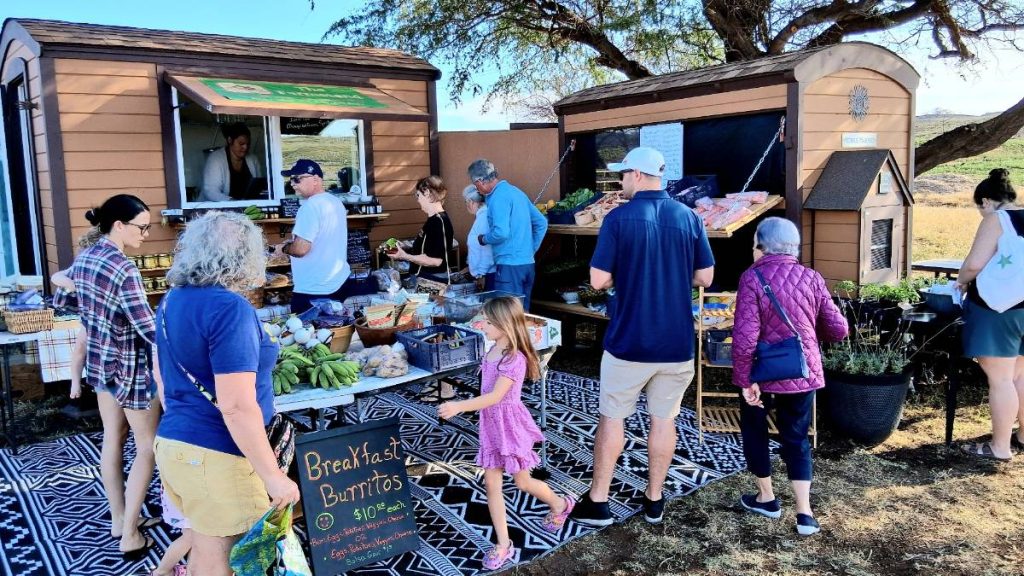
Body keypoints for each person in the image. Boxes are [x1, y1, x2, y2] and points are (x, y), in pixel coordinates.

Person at [570, 146, 714, 528]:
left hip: (629, 341)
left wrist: (626, 276)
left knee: (613, 418)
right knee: (663, 421)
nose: (620, 181)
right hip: (676, 342)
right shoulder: (689, 218)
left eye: (623, 174)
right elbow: (706, 278)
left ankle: (599, 501)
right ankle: (654, 499)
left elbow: (599, 280)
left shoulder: (618, 219)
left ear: (636, 174)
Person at [154, 212, 300, 576]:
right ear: (245, 257)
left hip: (177, 445)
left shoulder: (172, 299)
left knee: (206, 551)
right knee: (230, 560)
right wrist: (273, 476)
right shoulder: (228, 307)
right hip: (218, 455)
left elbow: (159, 375)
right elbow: (235, 407)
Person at [54, 195, 161, 558]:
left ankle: (119, 518)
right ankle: (131, 533)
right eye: (142, 227)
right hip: (130, 368)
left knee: (112, 442)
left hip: (99, 366)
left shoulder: (84, 258)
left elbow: (64, 303)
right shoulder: (124, 268)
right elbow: (148, 328)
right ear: (119, 225)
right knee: (148, 446)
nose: (146, 234)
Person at [438, 296, 575, 570]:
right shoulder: (491, 350)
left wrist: (458, 406)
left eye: (488, 322)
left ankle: (560, 504)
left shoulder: (514, 359)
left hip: (509, 426)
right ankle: (503, 544)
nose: (482, 325)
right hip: (491, 426)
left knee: (523, 482)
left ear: (503, 324)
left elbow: (495, 397)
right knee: (492, 485)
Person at [731, 217, 849, 536]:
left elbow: (744, 338)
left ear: (762, 246)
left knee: (755, 430)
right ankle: (804, 513)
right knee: (796, 436)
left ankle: (767, 498)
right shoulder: (811, 277)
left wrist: (745, 380)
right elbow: (839, 329)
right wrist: (810, 336)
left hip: (764, 371)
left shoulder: (752, 278)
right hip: (802, 369)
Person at [956, 168, 1024, 462]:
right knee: (1020, 373)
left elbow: (974, 265)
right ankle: (1022, 436)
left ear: (986, 201)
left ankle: (999, 447)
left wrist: (960, 280)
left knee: (1000, 379)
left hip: (998, 309)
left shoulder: (997, 219)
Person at [467, 159, 547, 310]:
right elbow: (542, 223)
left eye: (475, 185)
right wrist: (531, 249)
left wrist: (483, 239)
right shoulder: (516, 192)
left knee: (508, 318)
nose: (476, 189)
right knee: (523, 316)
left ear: (480, 181)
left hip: (509, 267)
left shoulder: (498, 197)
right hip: (528, 265)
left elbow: (501, 233)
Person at [279, 159, 353, 314]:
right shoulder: (335, 202)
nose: (292, 183)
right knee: (334, 332)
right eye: (290, 179)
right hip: (338, 282)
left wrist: (284, 248)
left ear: (315, 179)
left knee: (307, 336)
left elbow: (300, 249)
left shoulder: (310, 206)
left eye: (297, 178)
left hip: (314, 289)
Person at [388, 175, 455, 277]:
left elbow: (436, 261)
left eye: (418, 195)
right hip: (423, 279)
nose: (418, 200)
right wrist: (404, 248)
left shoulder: (440, 222)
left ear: (427, 192)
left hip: (433, 282)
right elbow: (426, 251)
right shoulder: (432, 220)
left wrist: (404, 256)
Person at [198, 123, 263, 202]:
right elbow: (211, 191)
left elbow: (259, 186)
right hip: (216, 211)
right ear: (230, 140)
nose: (245, 147)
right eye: (241, 144)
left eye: (248, 144)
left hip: (247, 209)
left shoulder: (253, 159)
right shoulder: (215, 159)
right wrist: (233, 202)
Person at [462, 184, 496, 290]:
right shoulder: (481, 216)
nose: (466, 205)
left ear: (471, 202)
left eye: (466, 202)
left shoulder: (483, 218)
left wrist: (481, 274)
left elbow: (487, 250)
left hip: (488, 275)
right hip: (484, 273)